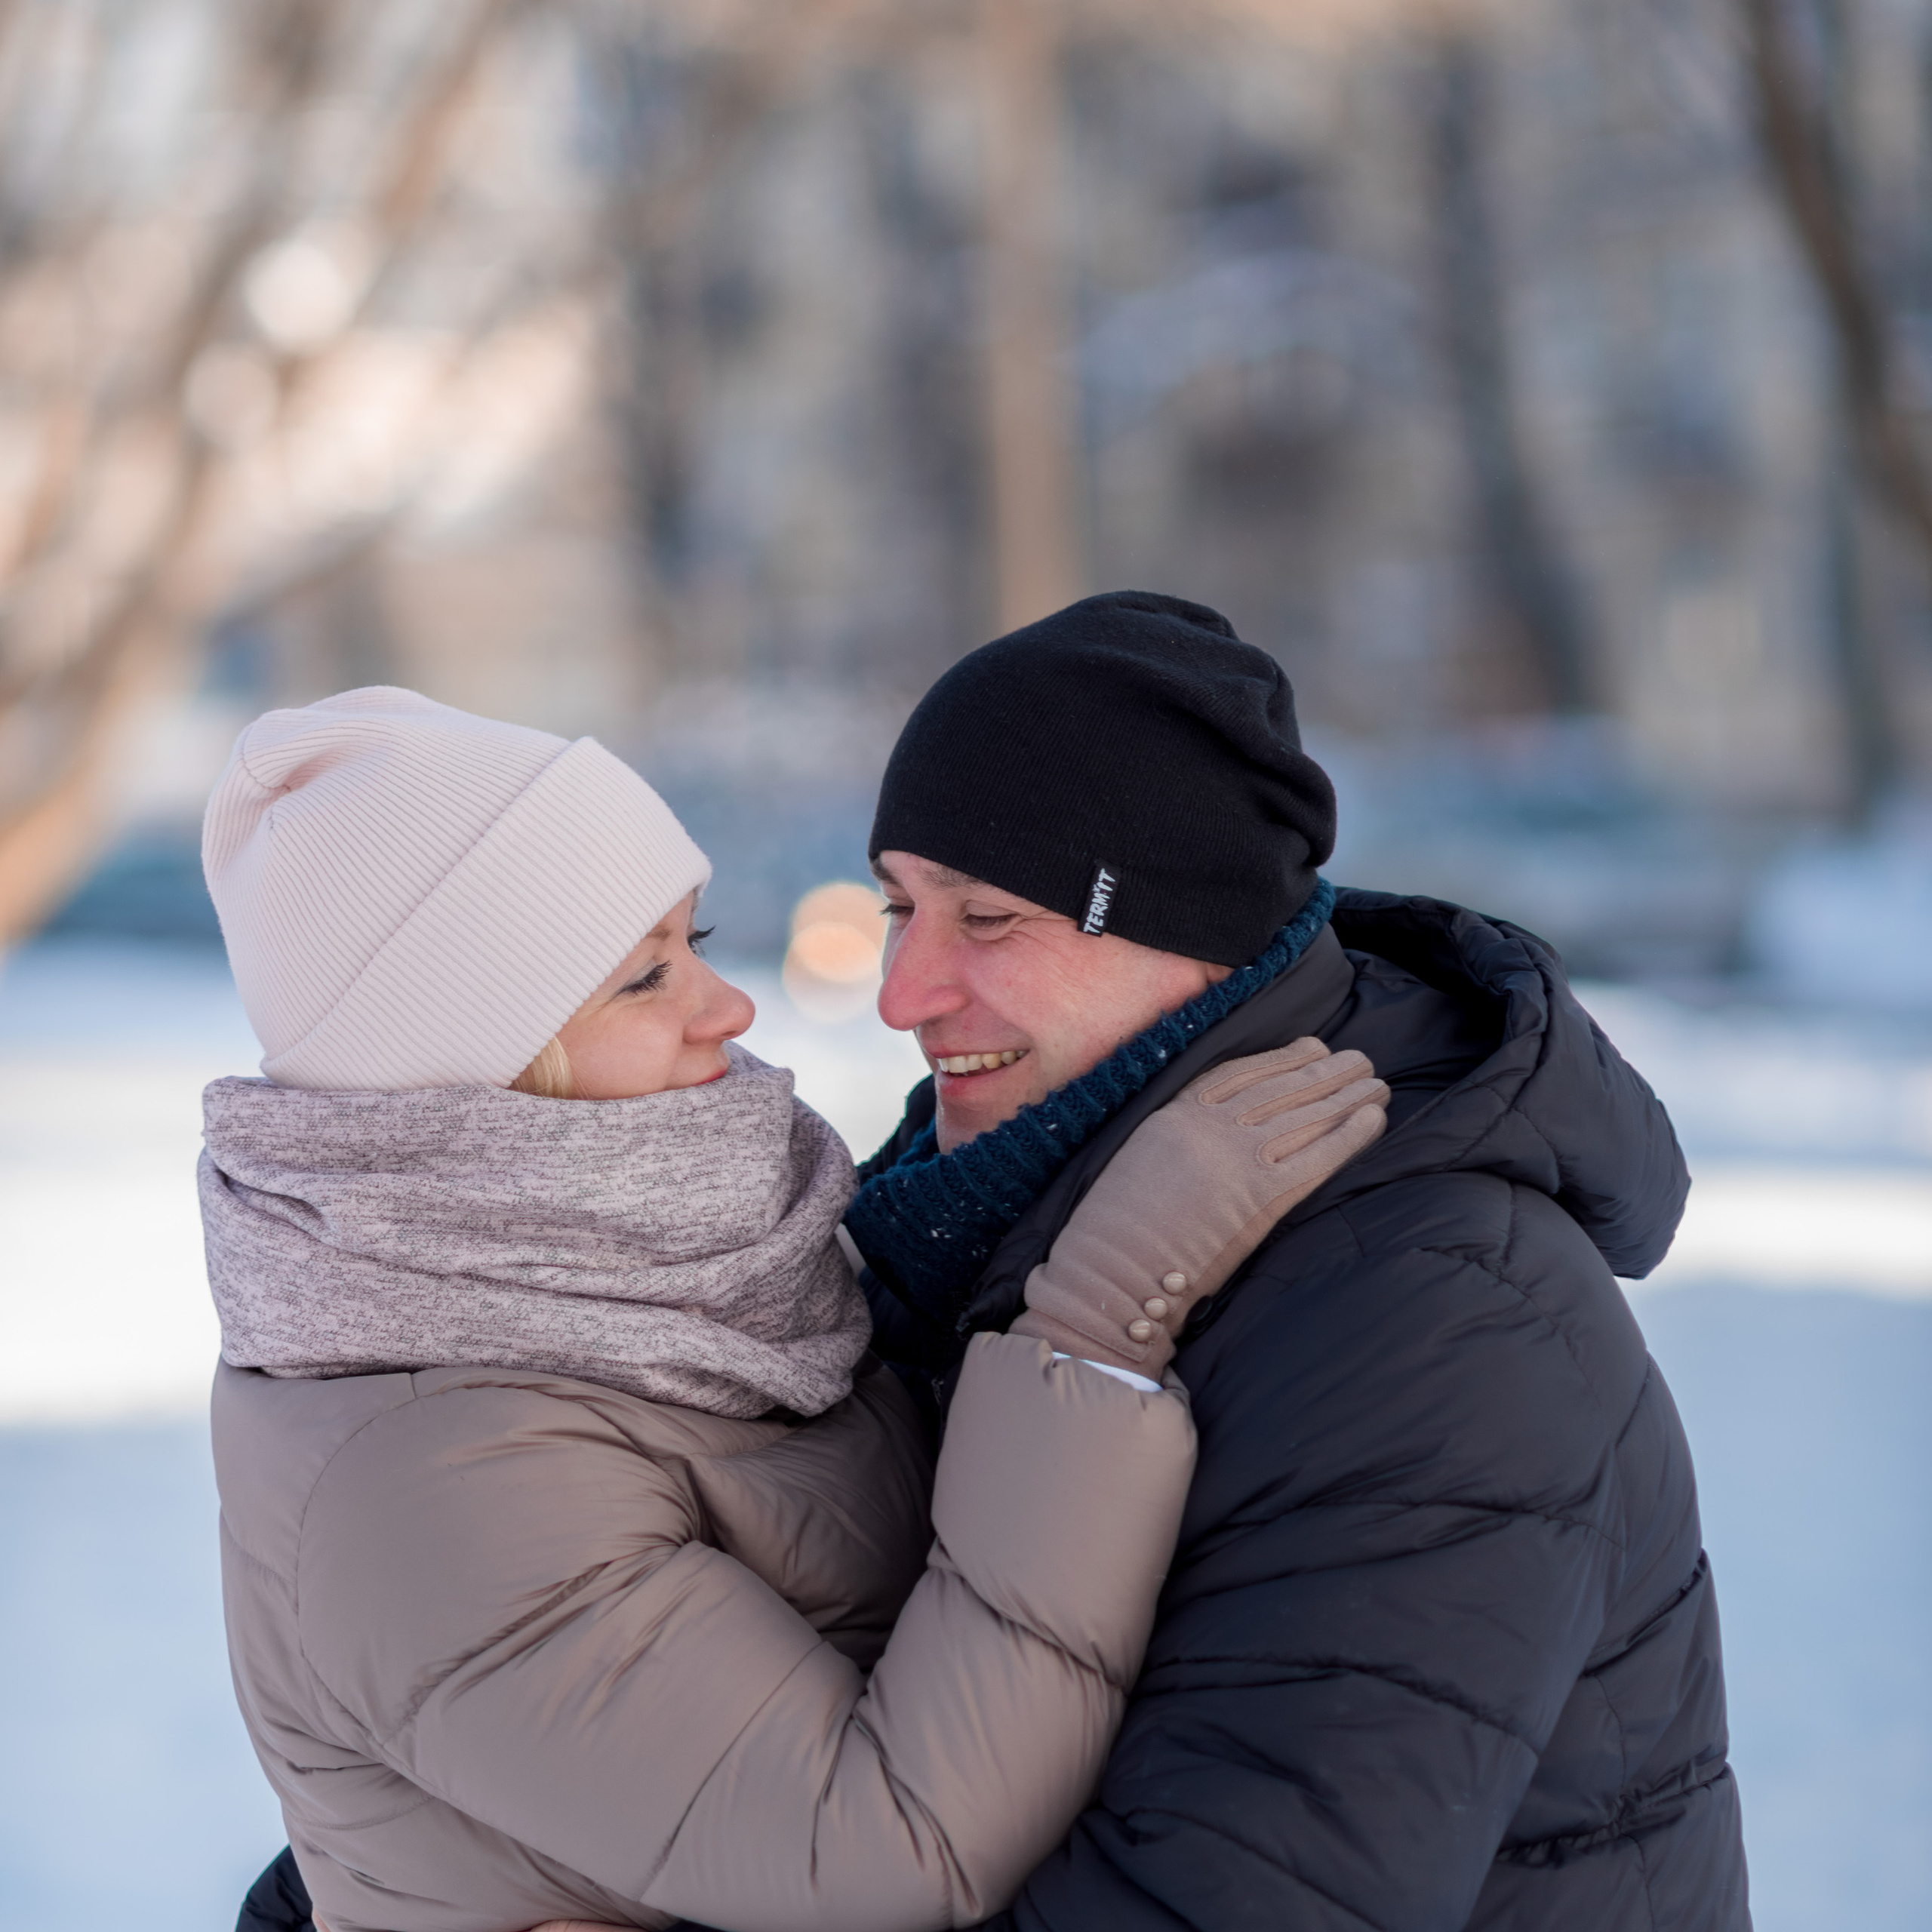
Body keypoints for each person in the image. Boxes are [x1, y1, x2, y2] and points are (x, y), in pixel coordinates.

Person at [205, 686, 1388, 1932]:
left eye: (695, 939)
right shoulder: (435, 1473)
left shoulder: (689, 1278)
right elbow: (885, 1847)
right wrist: (1093, 1328)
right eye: (643, 978)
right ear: (477, 1064)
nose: (728, 1007)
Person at [841, 591, 1751, 1930]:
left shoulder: (1435, 1314)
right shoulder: (973, 1221)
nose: (901, 993)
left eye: (985, 921)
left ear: (1186, 928)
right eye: (896, 909)